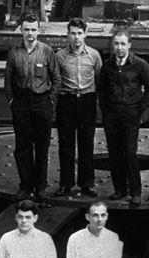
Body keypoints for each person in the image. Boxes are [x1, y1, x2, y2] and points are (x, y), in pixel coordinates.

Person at [97, 29, 149, 206]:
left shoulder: (140, 65)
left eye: (123, 43)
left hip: (131, 115)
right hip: (112, 116)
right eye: (116, 43)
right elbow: (102, 90)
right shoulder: (107, 66)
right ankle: (120, 190)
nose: (119, 47)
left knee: (130, 154)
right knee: (114, 154)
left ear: (129, 45)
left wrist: (139, 110)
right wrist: (106, 110)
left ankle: (135, 192)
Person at [4, 14, 59, 201]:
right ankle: (26, 186)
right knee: (23, 147)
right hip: (21, 103)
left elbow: (56, 79)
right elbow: (8, 81)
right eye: (26, 29)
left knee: (42, 147)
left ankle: (41, 187)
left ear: (39, 30)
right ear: (21, 30)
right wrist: (12, 101)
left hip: (41, 102)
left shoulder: (47, 51)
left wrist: (50, 101)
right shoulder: (13, 53)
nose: (30, 33)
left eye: (33, 29)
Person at [54, 18, 102, 197]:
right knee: (66, 145)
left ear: (85, 34)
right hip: (66, 101)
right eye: (73, 33)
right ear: (68, 35)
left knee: (86, 144)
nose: (76, 37)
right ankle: (66, 184)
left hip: (87, 101)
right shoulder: (59, 56)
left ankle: (86, 184)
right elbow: (56, 81)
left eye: (80, 33)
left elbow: (99, 80)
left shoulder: (94, 56)